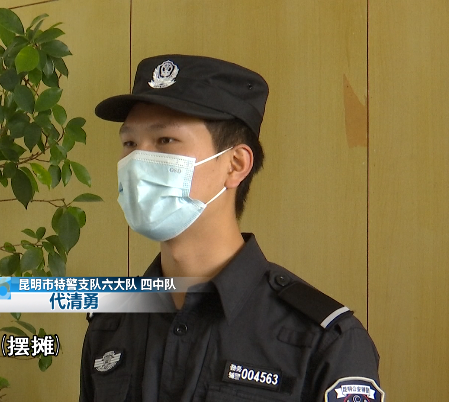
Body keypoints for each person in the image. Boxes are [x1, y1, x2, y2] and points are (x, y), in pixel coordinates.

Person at [79, 55, 383, 402]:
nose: (137, 163)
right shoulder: (113, 323)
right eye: (130, 144)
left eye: (165, 140)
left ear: (236, 164)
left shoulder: (322, 339)